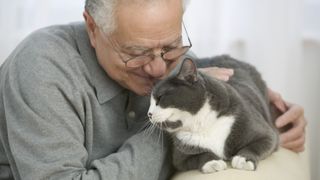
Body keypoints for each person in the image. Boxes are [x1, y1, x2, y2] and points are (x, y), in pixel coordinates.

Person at [0, 0, 306, 179]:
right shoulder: (42, 69)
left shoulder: (165, 58)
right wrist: (177, 124)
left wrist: (261, 101)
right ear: (93, 29)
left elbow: (207, 72)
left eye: (172, 47)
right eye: (136, 53)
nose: (160, 68)